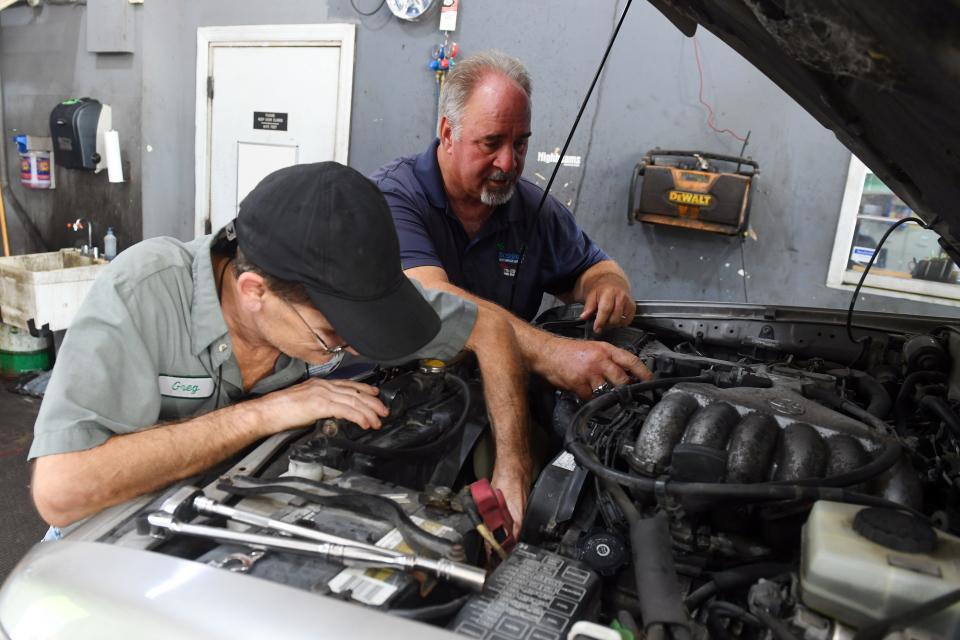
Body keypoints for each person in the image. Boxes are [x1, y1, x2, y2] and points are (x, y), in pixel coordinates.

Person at [30, 163, 532, 535]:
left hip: (238, 517)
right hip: (109, 541)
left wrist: (512, 466)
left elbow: (490, 328)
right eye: (331, 335)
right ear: (255, 293)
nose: (350, 344)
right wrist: (267, 412)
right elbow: (60, 491)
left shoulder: (345, 283)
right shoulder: (140, 294)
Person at [373, 51, 651, 399]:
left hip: (498, 393)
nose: (509, 162)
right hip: (404, 397)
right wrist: (552, 353)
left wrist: (607, 287)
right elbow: (433, 299)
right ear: (448, 133)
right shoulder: (392, 197)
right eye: (491, 142)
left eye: (520, 143)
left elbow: (596, 268)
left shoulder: (534, 210)